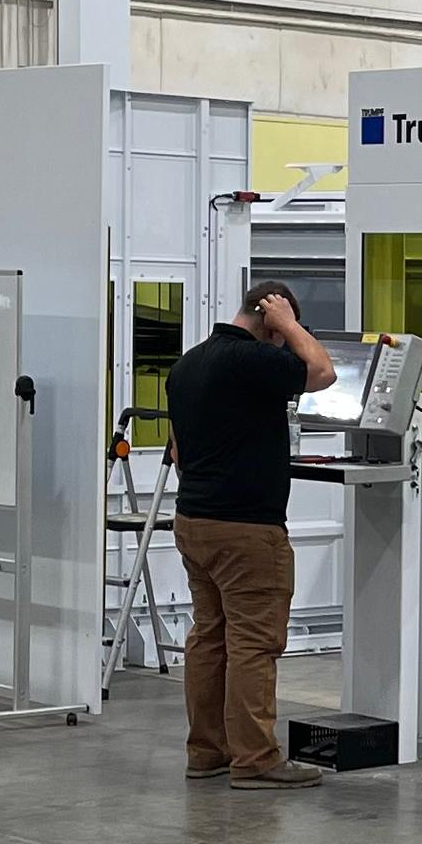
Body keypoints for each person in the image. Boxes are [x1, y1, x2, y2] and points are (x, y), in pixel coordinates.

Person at [165, 280, 336, 785]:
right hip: (246, 530)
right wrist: (288, 325)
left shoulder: (188, 364)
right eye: (282, 333)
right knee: (254, 644)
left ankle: (207, 751)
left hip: (194, 522)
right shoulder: (250, 359)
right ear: (267, 319)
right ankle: (256, 760)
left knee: (209, 638)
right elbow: (322, 371)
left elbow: (177, 450)